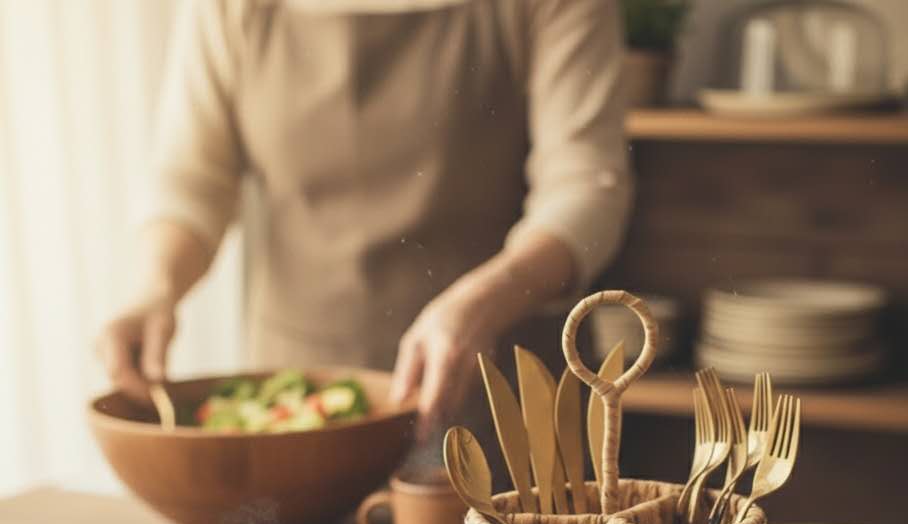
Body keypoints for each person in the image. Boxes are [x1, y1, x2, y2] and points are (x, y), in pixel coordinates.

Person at [97, 0, 632, 436]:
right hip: (293, 396)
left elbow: (586, 186)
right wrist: (156, 289)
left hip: (492, 384)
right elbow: (193, 176)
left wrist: (484, 301)